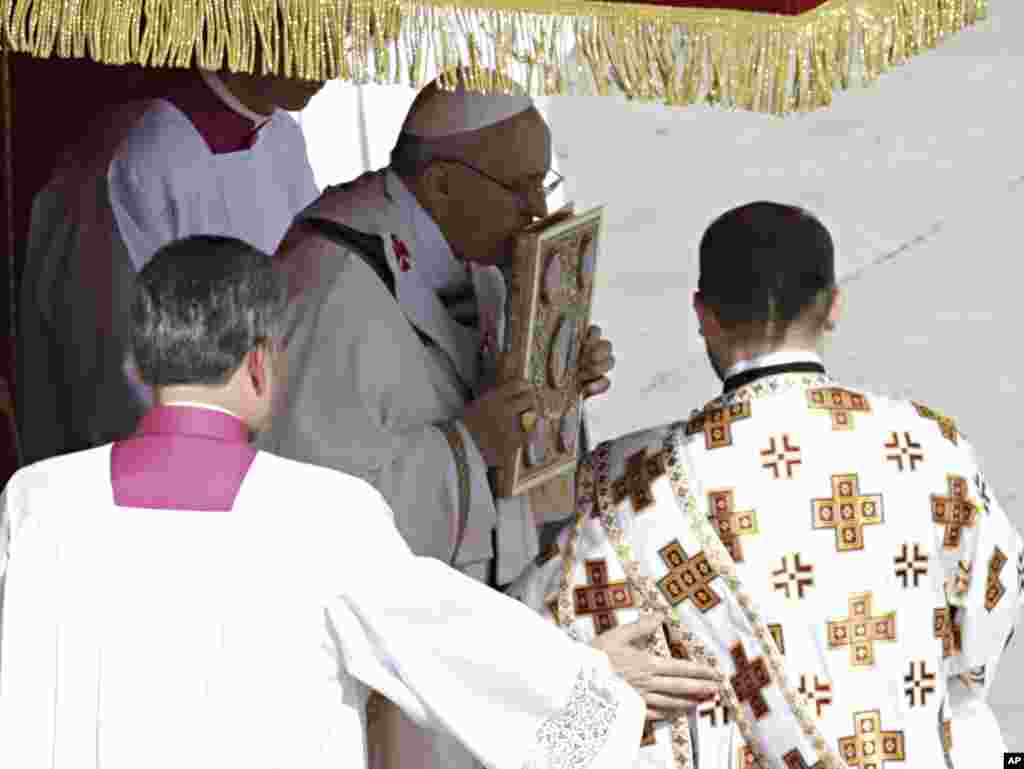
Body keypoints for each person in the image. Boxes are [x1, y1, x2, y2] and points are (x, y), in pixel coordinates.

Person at [0, 235, 659, 769]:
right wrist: (593, 682)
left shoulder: (37, 502)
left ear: (140, 365)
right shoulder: (321, 514)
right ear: (260, 365)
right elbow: (450, 643)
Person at [259, 71, 717, 769]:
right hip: (396, 680)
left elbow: (521, 438)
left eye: (545, 184)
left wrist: (557, 384)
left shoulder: (487, 254)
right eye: (520, 188)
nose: (538, 211)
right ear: (441, 185)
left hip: (496, 624)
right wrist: (468, 447)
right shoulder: (329, 289)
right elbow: (314, 525)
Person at [515, 202, 1023, 768]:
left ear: (702, 314)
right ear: (833, 307)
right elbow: (980, 643)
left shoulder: (626, 481)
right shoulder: (931, 447)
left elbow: (541, 659)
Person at [16, 61, 323, 466]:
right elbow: (115, 365)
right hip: (162, 470)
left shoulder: (283, 137)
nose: (334, 60)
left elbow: (303, 295)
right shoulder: (139, 152)